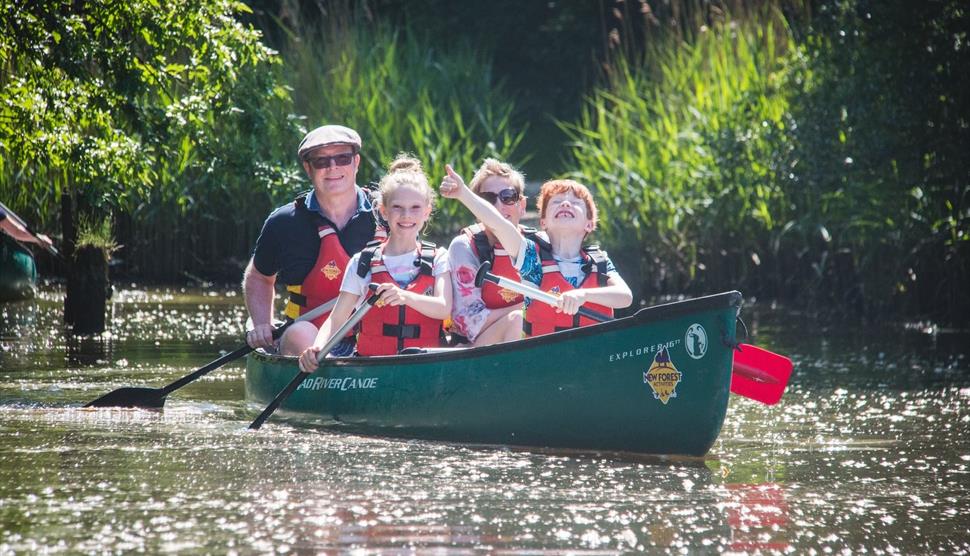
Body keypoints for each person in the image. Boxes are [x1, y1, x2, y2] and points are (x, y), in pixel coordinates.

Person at [298, 154, 451, 369]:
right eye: (397, 207)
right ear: (384, 212)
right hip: (374, 368)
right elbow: (337, 319)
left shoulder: (439, 258)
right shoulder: (362, 262)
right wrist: (318, 346)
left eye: (415, 208)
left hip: (426, 366)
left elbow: (444, 308)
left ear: (427, 212)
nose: (406, 216)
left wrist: (404, 296)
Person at [440, 165, 633, 337]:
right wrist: (463, 193)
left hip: (593, 354)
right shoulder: (532, 258)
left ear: (589, 224)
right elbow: (499, 224)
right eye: (556, 202)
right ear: (543, 222)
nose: (566, 204)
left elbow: (625, 297)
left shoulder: (599, 261)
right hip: (546, 357)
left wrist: (582, 296)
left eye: (575, 202)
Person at [243, 125, 384, 356]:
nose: (333, 168)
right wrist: (262, 325)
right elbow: (259, 277)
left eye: (342, 158)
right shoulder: (284, 222)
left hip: (374, 340)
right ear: (308, 168)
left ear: (356, 162)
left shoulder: (388, 214)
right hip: (308, 342)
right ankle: (326, 375)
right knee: (301, 334)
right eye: (321, 161)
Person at [447, 158, 535, 346]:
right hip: (479, 347)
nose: (498, 206)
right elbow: (470, 323)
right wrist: (531, 305)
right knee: (517, 319)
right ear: (477, 208)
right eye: (488, 200)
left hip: (533, 339)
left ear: (522, 205)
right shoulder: (463, 247)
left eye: (508, 196)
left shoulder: (537, 243)